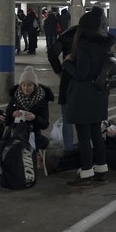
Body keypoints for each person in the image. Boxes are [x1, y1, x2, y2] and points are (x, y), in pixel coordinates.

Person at [63, 7, 116, 187]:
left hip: (84, 96)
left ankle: (86, 173)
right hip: (99, 94)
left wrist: (67, 63)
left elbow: (81, 73)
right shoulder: (105, 45)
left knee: (84, 136)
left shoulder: (85, 46)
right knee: (96, 134)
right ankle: (101, 170)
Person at [4, 66, 54, 150]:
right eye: (23, 85)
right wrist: (12, 114)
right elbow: (7, 121)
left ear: (35, 86)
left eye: (29, 85)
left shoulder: (42, 100)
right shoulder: (15, 97)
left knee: (42, 143)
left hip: (32, 132)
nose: (26, 88)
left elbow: (45, 124)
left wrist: (34, 118)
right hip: (15, 130)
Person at [47, 24, 78, 153]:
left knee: (67, 119)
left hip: (67, 79)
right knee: (87, 120)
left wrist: (59, 71)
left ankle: (68, 150)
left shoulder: (65, 37)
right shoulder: (92, 38)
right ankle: (87, 149)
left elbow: (52, 53)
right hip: (87, 82)